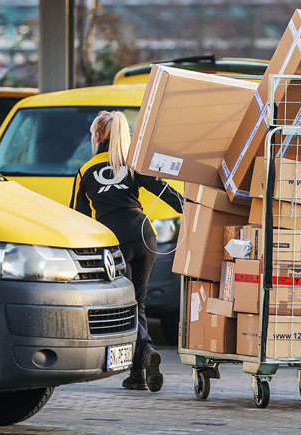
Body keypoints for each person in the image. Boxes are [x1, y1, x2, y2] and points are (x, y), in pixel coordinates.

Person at [70, 110, 183, 392]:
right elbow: (167, 192)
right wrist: (197, 211)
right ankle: (138, 375)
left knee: (125, 306)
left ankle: (145, 351)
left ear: (97, 136)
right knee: (139, 303)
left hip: (114, 241)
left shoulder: (85, 170)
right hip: (146, 236)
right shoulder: (134, 164)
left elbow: (77, 217)